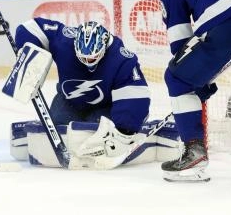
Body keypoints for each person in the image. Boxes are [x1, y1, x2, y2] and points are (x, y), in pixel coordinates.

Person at [12, 18, 150, 168]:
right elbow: (30, 28)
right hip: (68, 101)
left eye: (92, 57)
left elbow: (135, 94)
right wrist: (27, 56)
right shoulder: (64, 41)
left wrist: (125, 129)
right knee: (58, 127)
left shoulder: (121, 58)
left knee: (91, 129)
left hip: (104, 107)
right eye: (83, 57)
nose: (88, 61)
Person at [159, 0, 231, 182]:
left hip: (227, 24)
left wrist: (196, 80)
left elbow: (181, 45)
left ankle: (193, 152)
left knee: (176, 78)